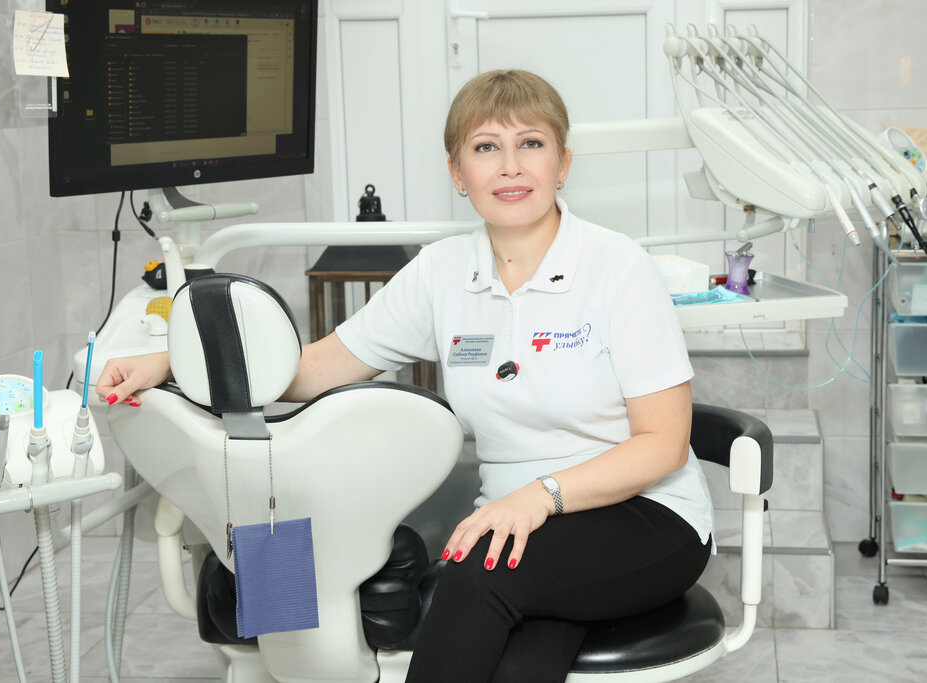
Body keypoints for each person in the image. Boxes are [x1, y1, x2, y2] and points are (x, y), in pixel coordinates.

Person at [97, 69, 713, 683]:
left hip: (647, 515)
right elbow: (310, 371)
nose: (510, 167)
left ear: (563, 163)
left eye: (531, 143)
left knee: (477, 576)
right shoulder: (441, 273)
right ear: (457, 173)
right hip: (517, 527)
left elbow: (662, 444)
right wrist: (174, 361)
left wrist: (538, 497)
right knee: (517, 660)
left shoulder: (618, 269)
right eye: (486, 147)